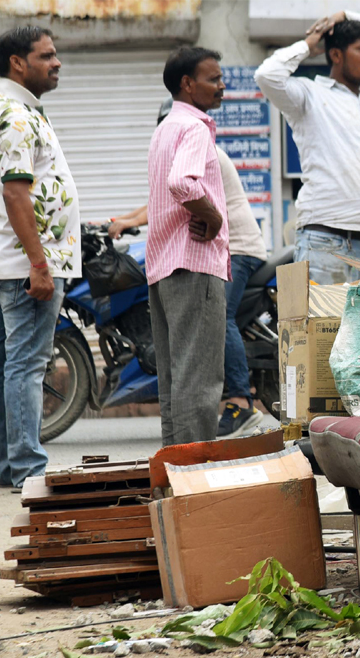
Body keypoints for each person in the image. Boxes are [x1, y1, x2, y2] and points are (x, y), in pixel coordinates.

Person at [109, 100, 267, 439]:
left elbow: (181, 189)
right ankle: (184, 457)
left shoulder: (200, 143)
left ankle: (240, 400)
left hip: (236, 248)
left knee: (218, 320)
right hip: (189, 255)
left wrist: (211, 218)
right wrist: (126, 221)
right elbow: (163, 199)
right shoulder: (180, 140)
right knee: (183, 366)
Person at [0, 26, 81, 491]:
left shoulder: (20, 111)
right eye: (47, 56)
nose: (56, 63)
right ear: (18, 63)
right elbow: (16, 193)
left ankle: (7, 466)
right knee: (25, 365)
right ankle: (27, 469)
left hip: (16, 262)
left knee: (3, 364)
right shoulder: (16, 117)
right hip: (28, 266)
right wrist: (40, 265)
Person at [255, 10, 360, 284]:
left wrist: (347, 14)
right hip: (328, 243)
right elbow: (267, 75)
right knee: (326, 328)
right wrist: (309, 44)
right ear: (336, 55)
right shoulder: (309, 95)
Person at [146, 47, 230, 447]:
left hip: (162, 267)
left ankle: (173, 483)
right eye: (213, 79)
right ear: (187, 84)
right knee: (198, 385)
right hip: (194, 264)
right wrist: (212, 217)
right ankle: (194, 489)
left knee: (175, 384)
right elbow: (182, 183)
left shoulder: (164, 128)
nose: (221, 85)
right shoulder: (195, 127)